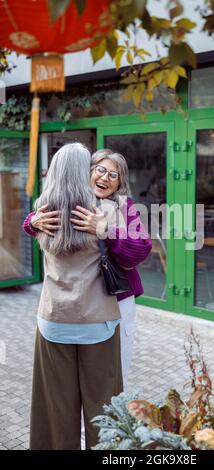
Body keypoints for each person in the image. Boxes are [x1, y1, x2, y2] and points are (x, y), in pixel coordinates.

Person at [23, 148, 152, 391]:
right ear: (87, 171)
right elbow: (37, 220)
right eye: (100, 170)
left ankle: (107, 424)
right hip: (72, 308)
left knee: (114, 373)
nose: (105, 178)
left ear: (119, 183)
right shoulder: (68, 199)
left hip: (115, 299)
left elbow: (140, 250)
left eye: (114, 175)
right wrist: (31, 222)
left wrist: (107, 231)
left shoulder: (123, 207)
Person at [25, 143, 123, 450]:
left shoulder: (41, 212)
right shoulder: (104, 210)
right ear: (85, 172)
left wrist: (30, 222)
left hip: (54, 321)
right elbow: (134, 252)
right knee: (105, 411)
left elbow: (29, 226)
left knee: (55, 412)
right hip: (98, 323)